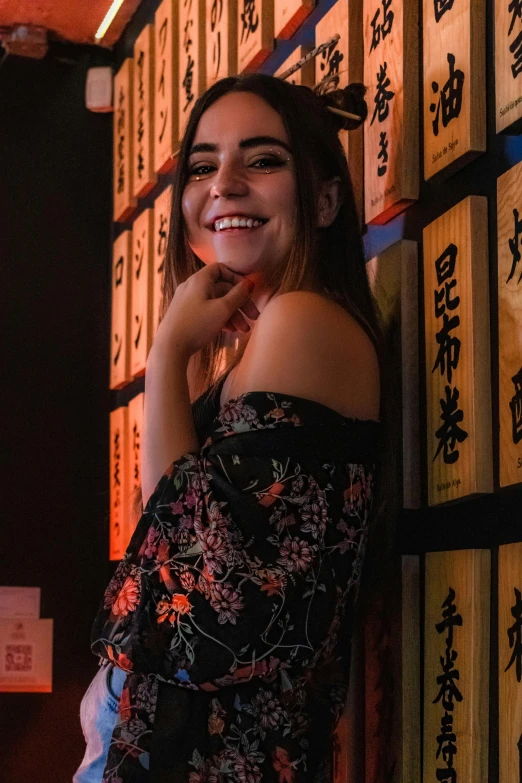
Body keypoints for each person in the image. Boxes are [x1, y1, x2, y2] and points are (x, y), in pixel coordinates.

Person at [76, 72, 388, 783]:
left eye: (264, 160)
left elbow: (190, 582)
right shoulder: (261, 343)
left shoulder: (302, 321)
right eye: (204, 165)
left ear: (328, 197)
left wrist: (165, 355)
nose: (225, 184)